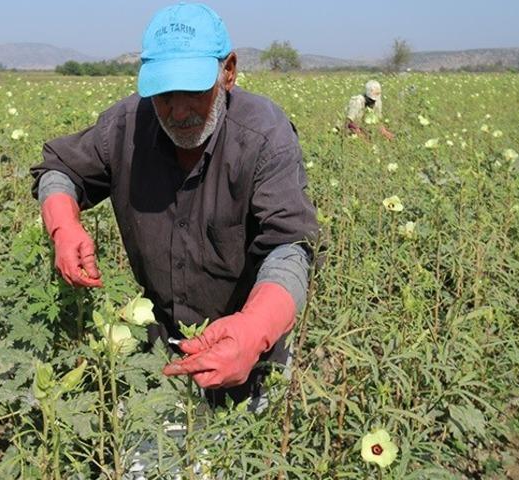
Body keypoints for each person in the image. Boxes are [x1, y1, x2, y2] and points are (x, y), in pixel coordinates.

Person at [31, 2, 319, 409]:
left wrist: (255, 329)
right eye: (165, 93)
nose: (179, 111)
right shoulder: (127, 125)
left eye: (195, 90)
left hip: (251, 353)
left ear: (228, 72)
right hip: (159, 351)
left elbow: (288, 247)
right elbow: (60, 169)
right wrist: (63, 225)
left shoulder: (264, 136)